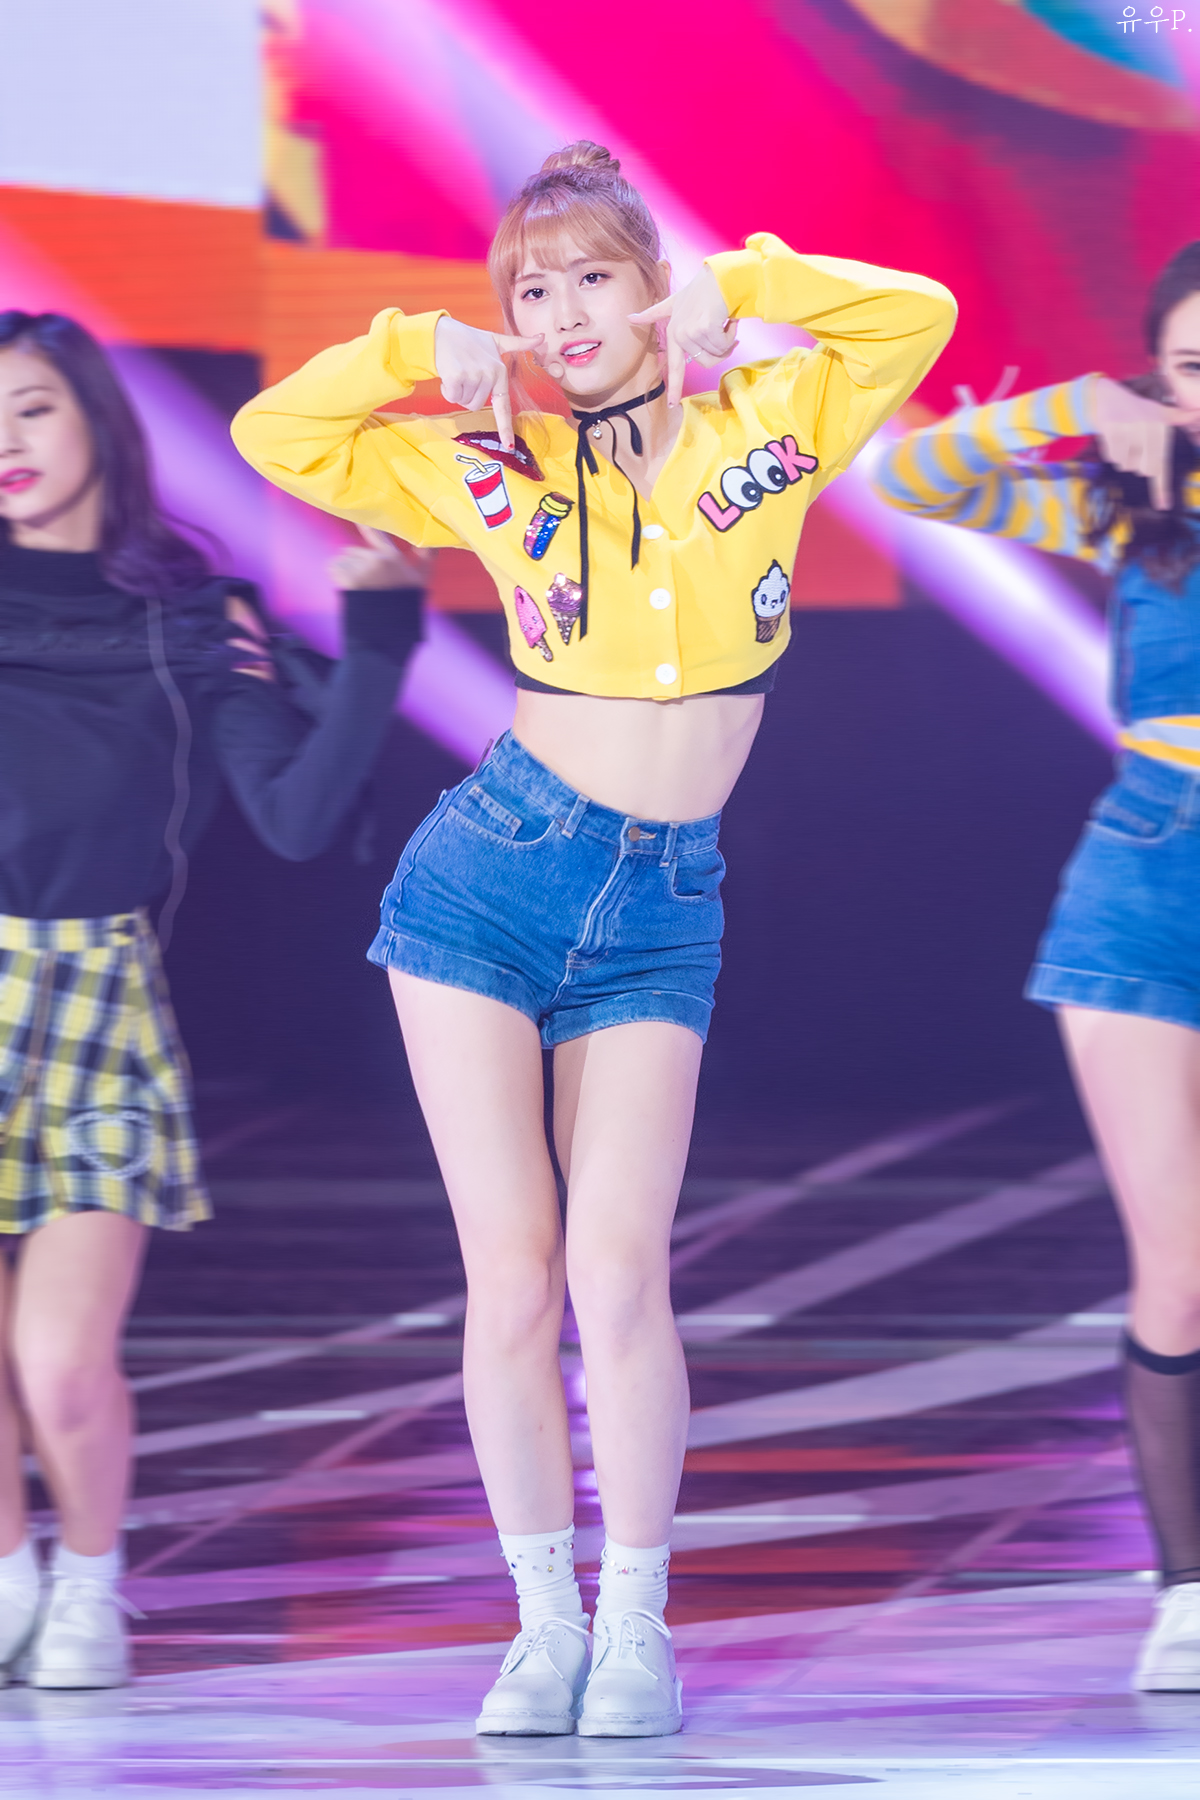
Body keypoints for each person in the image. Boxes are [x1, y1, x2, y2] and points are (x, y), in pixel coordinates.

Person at [232, 141, 956, 1738]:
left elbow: (918, 314)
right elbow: (273, 435)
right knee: (513, 1275)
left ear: (651, 285)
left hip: (660, 904)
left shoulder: (772, 422)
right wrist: (419, 345)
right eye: (531, 288)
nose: (561, 313)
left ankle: (638, 1625)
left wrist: (741, 284)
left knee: (620, 1276)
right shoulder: (491, 465)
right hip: (487, 878)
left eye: (591, 277)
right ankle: (541, 1624)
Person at [0, 310, 428, 1689]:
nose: (6, 440)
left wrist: (379, 643)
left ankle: (90, 1582)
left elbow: (298, 820)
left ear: (97, 420)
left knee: (59, 1358)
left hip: (92, 1000)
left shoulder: (187, 622)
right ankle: (9, 1579)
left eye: (32, 407)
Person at [873, 242, 1200, 1692]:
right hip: (1148, 882)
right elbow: (914, 478)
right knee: (1180, 1268)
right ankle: (1188, 1595)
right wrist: (1074, 406)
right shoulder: (1134, 506)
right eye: (1190, 367)